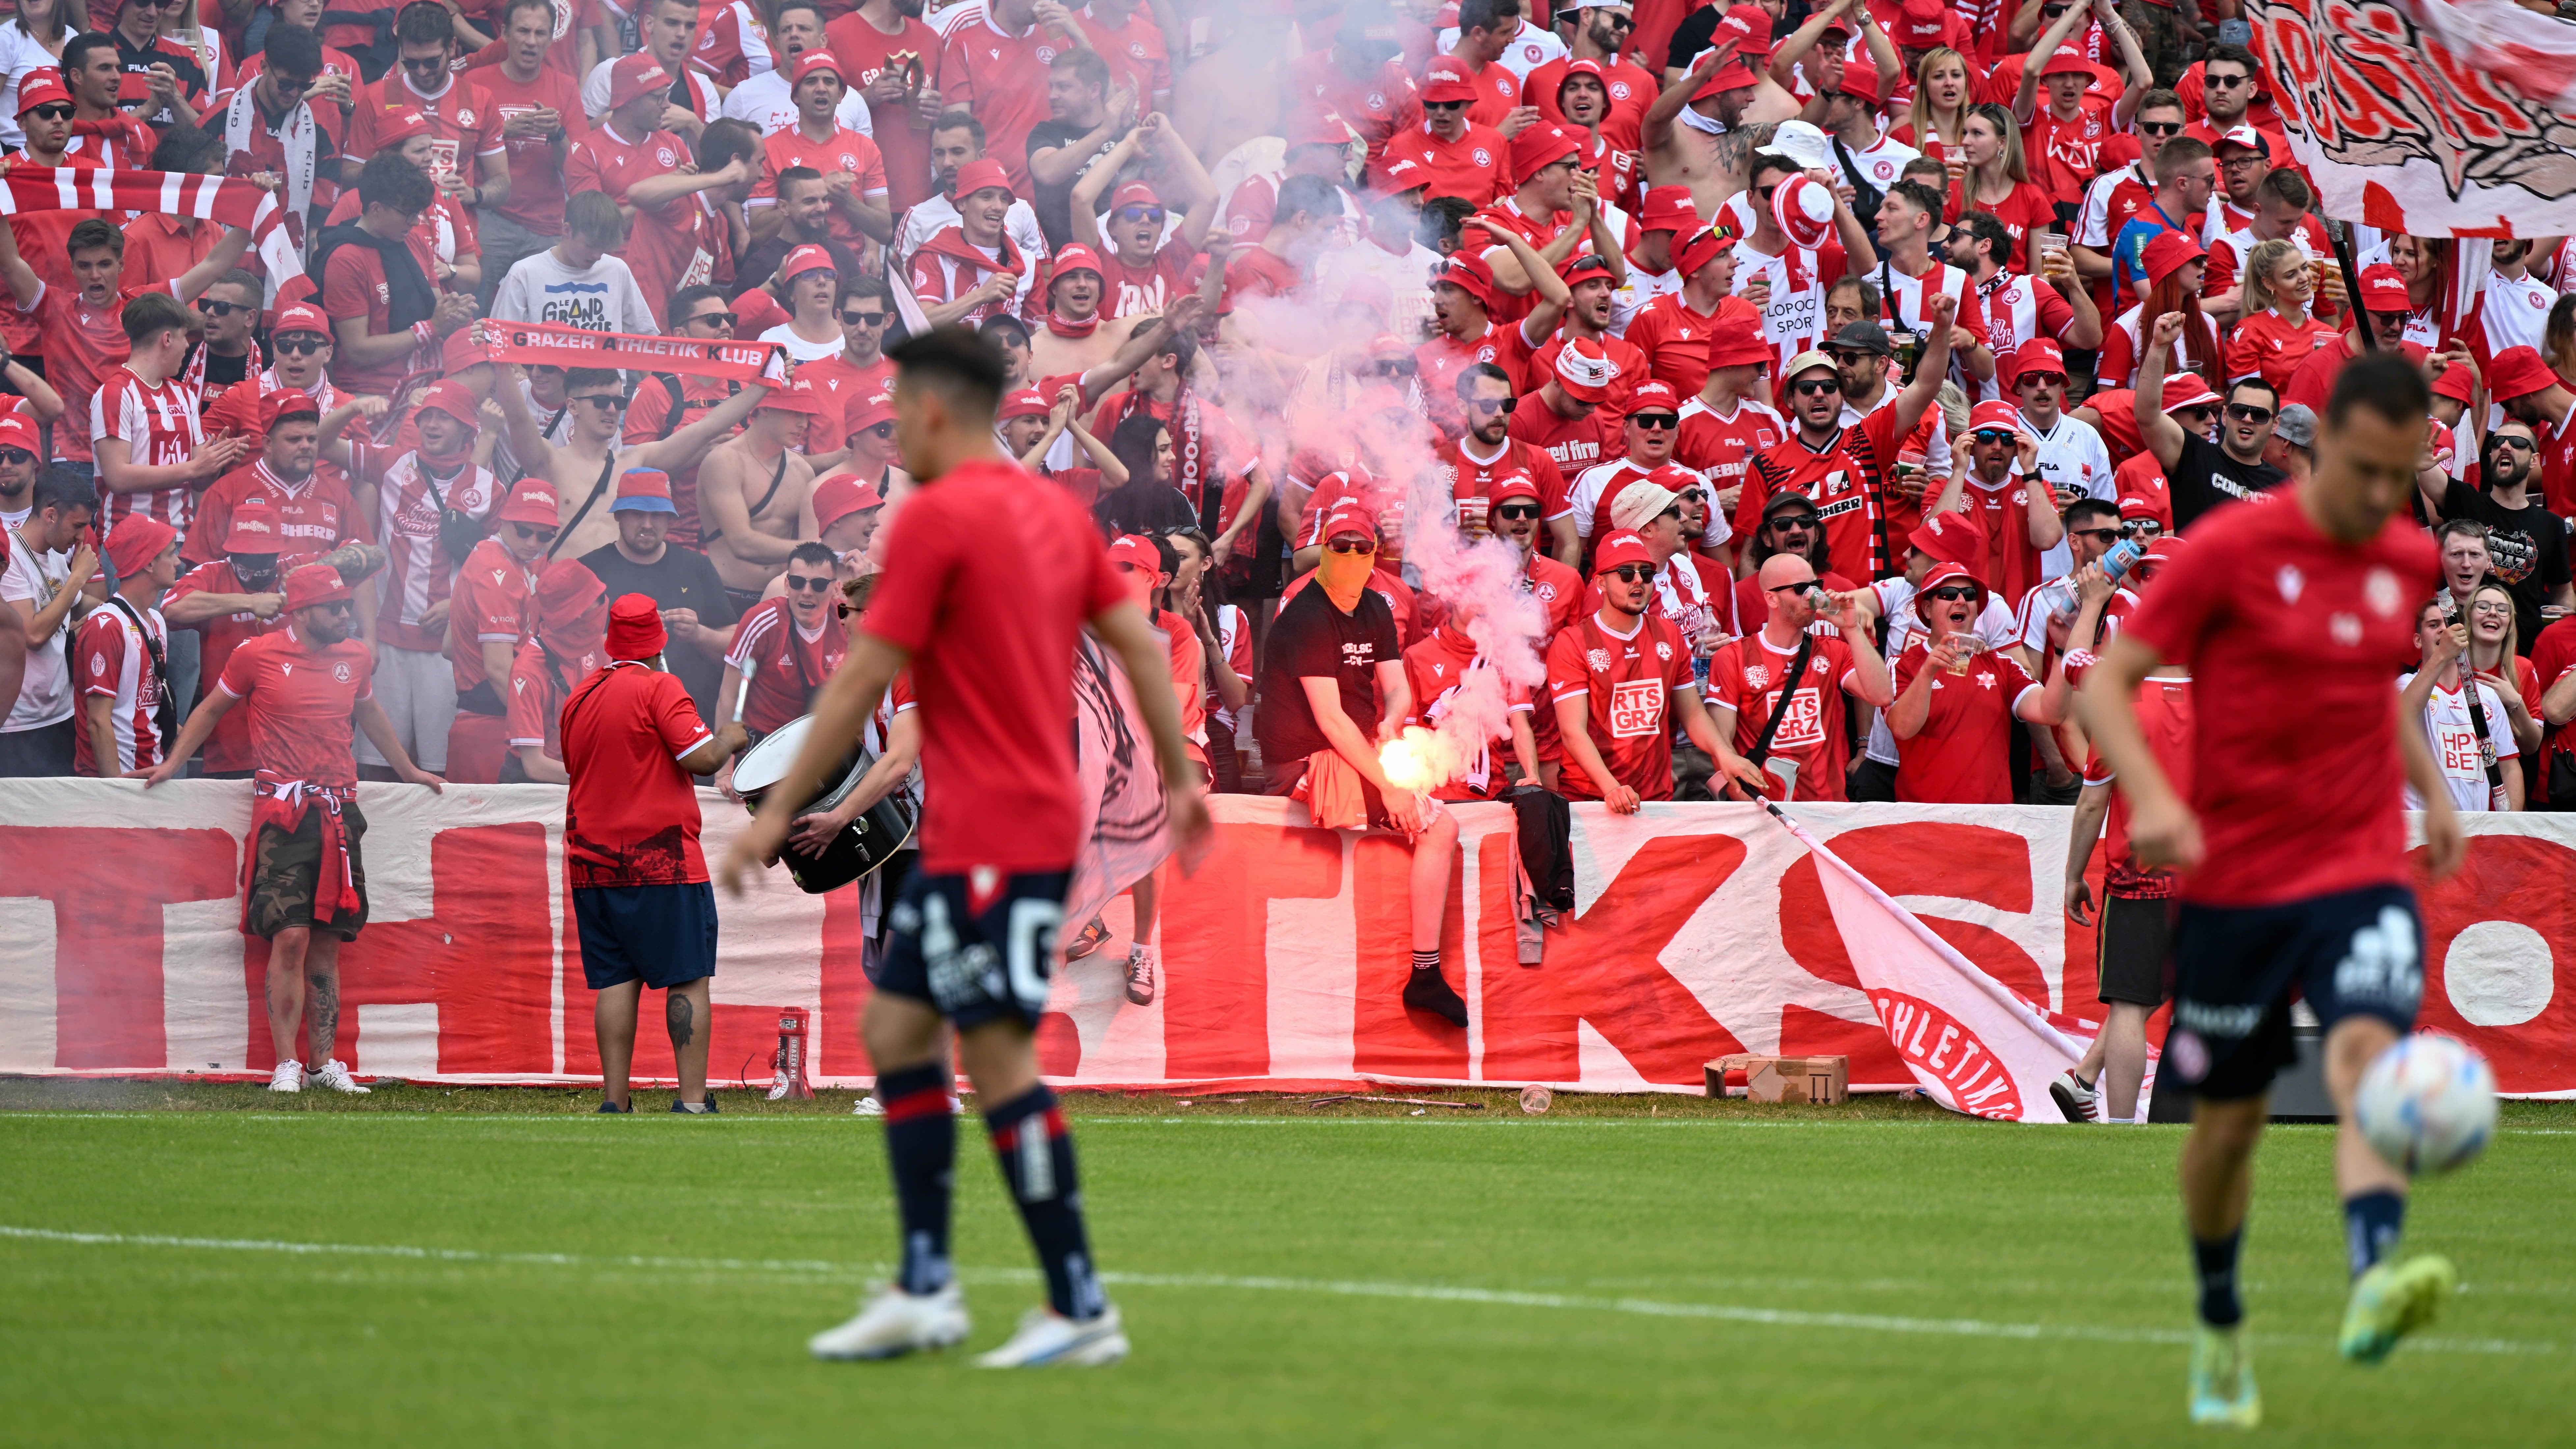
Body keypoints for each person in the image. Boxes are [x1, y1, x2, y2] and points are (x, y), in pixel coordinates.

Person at [716, 325, 1205, 1367]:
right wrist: (1172, 775)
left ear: (943, 408)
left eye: (900, 403)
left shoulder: (945, 517)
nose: (891, 422)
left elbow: (857, 683)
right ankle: (930, 1284)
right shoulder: (1049, 516)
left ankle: (1069, 1303)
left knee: (982, 1054)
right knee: (901, 1029)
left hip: (997, 824)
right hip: (999, 821)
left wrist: (770, 815)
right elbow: (1137, 649)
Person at [2080, 353, 2463, 1427]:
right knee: (2227, 1130)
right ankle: (2218, 1319)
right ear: (2319, 443)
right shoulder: (2232, 548)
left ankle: (2375, 1270)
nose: (2386, 497)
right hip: (2237, 879)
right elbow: (2108, 684)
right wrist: (2152, 794)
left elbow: (2373, 700)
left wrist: (2430, 788)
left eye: (2405, 473)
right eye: (2369, 470)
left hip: (2357, 864)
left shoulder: (2403, 557)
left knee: (2367, 1053)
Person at [144, 563, 445, 1093]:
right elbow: (211, 709)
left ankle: (322, 1063)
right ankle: (286, 1063)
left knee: (328, 941)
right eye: (336, 607)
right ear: (304, 610)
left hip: (340, 810)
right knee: (290, 936)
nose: (347, 615)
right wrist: (172, 765)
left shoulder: (356, 657)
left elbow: (370, 714)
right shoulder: (256, 654)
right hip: (284, 812)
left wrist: (410, 770)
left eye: (348, 605)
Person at [554, 591, 745, 1111]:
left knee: (616, 978)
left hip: (591, 862)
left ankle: (615, 1100)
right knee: (687, 975)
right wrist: (730, 737)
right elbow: (703, 758)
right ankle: (691, 1100)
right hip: (663, 861)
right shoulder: (661, 685)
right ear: (659, 645)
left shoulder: (580, 695)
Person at [2058, 535, 2192, 1124]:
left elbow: (2091, 804)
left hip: (2140, 874)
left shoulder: (2124, 699)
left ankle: (2117, 1126)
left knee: (2132, 1002)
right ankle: (2085, 1076)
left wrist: (2071, 876)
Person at [1740, 296, 1959, 584]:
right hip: (1802, 612)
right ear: (1790, 400)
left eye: (1829, 386)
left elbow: (1926, 385)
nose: (1819, 393)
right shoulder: (1766, 465)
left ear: (1841, 395)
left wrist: (1942, 329)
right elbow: (1751, 556)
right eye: (1807, 388)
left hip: (1865, 608)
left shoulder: (1866, 440)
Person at [492, 354, 778, 565]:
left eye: (619, 402)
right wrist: (499, 358)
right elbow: (518, 417)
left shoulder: (634, 462)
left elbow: (708, 426)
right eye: (601, 401)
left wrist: (764, 384)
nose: (611, 410)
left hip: (620, 596)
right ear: (573, 407)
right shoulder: (549, 462)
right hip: (566, 600)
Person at [1548, 525, 1744, 809]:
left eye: (1647, 573)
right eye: (1626, 573)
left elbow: (1692, 714)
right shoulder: (1572, 642)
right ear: (1600, 583)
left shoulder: (1668, 633)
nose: (1638, 581)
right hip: (1592, 799)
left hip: (1656, 797)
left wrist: (1725, 754)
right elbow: (1572, 732)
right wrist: (1611, 789)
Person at [1706, 552, 1892, 800]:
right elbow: (1722, 747)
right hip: (1765, 810)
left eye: (1817, 587)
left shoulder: (1833, 649)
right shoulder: (1733, 657)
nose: (1812, 596)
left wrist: (1852, 628)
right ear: (1772, 599)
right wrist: (1752, 805)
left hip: (1829, 805)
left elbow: (1882, 695)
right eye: (1802, 589)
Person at [1888, 561, 2073, 801]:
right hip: (1925, 820)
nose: (1961, 601)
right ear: (1927, 609)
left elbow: (2052, 713)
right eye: (1949, 594)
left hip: (1992, 821)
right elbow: (1902, 729)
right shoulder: (1901, 665)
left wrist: (2061, 650)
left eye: (1970, 594)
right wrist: (1928, 671)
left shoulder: (2002, 664)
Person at [575, 468, 741, 720]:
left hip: (691, 719)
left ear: (670, 519)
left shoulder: (697, 566)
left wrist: (699, 634)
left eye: (658, 516)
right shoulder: (588, 571)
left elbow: (738, 645)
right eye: (637, 515)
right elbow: (565, 652)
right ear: (618, 516)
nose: (648, 525)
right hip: (615, 718)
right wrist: (624, 640)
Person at [2417, 414, 2572, 653]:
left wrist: (2565, 641)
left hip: (2525, 654)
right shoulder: (2468, 502)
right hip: (2469, 653)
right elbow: (2431, 477)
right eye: (2497, 443)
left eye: (2517, 443)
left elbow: (2563, 595)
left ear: (2535, 460)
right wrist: (2418, 461)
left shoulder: (2551, 524)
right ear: (2491, 455)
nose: (2505, 446)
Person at [2135, 313, 2284, 528]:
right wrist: (2159, 347)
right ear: (2224, 415)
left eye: (2260, 415)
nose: (2248, 419)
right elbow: (2147, 416)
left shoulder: (2284, 487)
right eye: (2239, 410)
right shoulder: (2194, 456)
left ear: (2276, 424)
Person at [0, 469, 98, 776]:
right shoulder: (11, 558)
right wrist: (79, 577)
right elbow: (32, 633)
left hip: (61, 713)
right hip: (20, 723)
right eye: (78, 526)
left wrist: (123, 612)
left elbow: (81, 602)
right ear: (51, 515)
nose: (82, 537)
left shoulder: (56, 553)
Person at [700, 380, 824, 610]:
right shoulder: (725, 461)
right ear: (764, 408)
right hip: (726, 596)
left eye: (807, 415)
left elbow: (804, 539)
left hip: (781, 598)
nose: (803, 424)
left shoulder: (802, 471)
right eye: (795, 413)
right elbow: (742, 543)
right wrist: (820, 551)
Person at [72, 516, 179, 778]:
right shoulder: (107, 626)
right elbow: (98, 721)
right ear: (150, 563)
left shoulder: (157, 621)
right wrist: (116, 793)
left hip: (148, 773)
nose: (178, 562)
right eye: (172, 553)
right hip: (115, 780)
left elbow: (148, 703)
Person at [718, 540, 846, 755]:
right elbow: (729, 695)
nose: (807, 592)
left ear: (836, 589)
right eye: (797, 582)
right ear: (787, 586)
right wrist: (724, 768)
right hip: (763, 743)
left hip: (820, 745)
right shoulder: (761, 619)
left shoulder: (848, 622)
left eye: (819, 584)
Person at [2401, 593, 2523, 813]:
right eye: (2433, 625)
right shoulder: (2405, 685)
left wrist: (2510, 826)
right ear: (2418, 639)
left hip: (2477, 831)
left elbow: (2509, 767)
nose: (2445, 630)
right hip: (2420, 830)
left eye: (2450, 624)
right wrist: (2442, 654)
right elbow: (2399, 720)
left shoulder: (2488, 696)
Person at [2222, 236, 2338, 394]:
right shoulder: (2249, 332)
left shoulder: (2328, 333)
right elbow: (2248, 403)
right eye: (2291, 275)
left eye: (2304, 268)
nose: (2304, 278)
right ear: (2269, 283)